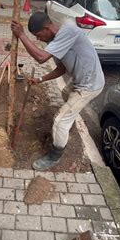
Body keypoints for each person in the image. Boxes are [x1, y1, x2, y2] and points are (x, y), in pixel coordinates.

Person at [11, 12, 104, 171]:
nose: (38, 39)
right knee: (66, 94)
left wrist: (22, 35)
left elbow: (41, 58)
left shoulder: (68, 31)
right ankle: (69, 122)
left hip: (89, 85)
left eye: (38, 35)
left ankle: (55, 156)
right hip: (78, 81)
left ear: (47, 28)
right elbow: (61, 68)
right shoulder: (56, 41)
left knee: (60, 121)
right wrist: (40, 80)